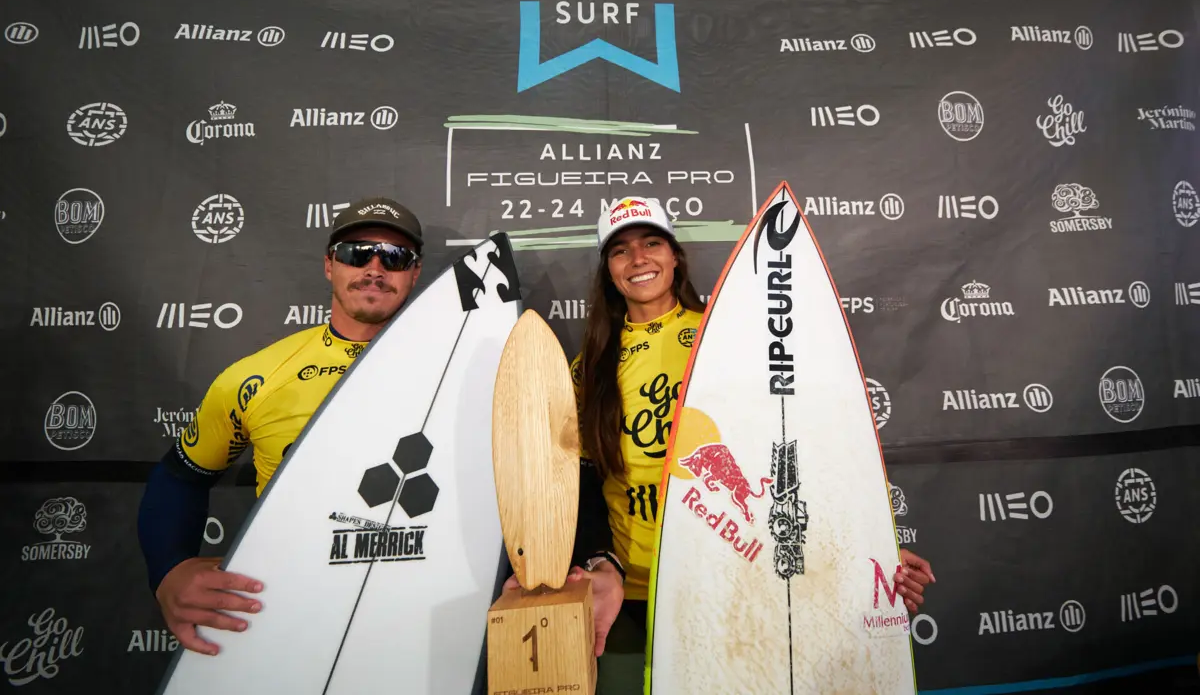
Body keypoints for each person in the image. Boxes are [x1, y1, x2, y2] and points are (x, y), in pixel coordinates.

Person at [516, 196, 936, 667]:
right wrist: (596, 561)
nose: (638, 259)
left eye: (652, 242)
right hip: (627, 591)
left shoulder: (731, 338)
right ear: (607, 270)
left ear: (675, 255)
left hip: (732, 574)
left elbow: (803, 444)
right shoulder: (589, 368)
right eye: (621, 250)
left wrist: (875, 543)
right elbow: (579, 478)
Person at [136, 197, 426, 656]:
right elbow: (179, 476)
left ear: (415, 272)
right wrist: (169, 570)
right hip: (294, 618)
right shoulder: (257, 378)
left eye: (393, 257)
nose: (374, 267)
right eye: (356, 252)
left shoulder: (471, 371)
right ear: (330, 265)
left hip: (429, 614)